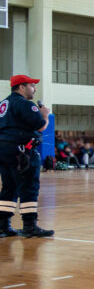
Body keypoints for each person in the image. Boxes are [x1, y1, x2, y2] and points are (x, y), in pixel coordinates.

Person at [0, 75, 52, 237]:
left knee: (9, 187)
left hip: (4, 150)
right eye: (32, 86)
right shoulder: (24, 104)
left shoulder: (3, 104)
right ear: (21, 87)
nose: (35, 89)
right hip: (21, 152)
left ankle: (3, 225)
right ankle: (30, 226)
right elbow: (41, 126)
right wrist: (45, 115)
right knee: (28, 186)